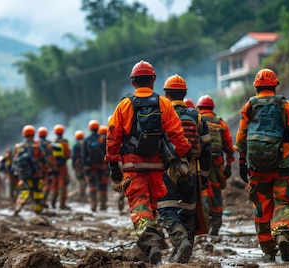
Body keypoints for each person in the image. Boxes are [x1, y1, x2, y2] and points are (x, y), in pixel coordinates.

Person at [105, 60, 191, 265]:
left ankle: (151, 244)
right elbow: (177, 134)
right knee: (154, 205)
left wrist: (112, 164)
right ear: (153, 80)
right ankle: (169, 242)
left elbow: (113, 137)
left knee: (139, 206)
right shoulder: (163, 103)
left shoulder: (125, 104)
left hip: (132, 166)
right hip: (157, 166)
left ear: (133, 82)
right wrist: (183, 153)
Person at [234, 68, 289, 262]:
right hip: (282, 161)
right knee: (282, 201)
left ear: (256, 87)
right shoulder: (285, 105)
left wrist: (242, 162)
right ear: (275, 86)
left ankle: (268, 249)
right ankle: (282, 233)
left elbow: (242, 136)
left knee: (261, 205)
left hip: (256, 165)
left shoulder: (249, 106)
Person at [157, 74, 212, 263]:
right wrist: (203, 177)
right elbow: (206, 149)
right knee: (188, 211)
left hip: (167, 169)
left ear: (166, 93)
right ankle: (184, 252)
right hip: (191, 169)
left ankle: (180, 243)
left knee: (166, 209)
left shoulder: (162, 114)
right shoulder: (197, 116)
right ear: (185, 93)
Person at [197, 94, 235, 236]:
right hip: (217, 165)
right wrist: (229, 166)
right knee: (216, 194)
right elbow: (229, 147)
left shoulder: (197, 119)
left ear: (199, 107)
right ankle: (216, 225)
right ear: (212, 107)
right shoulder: (221, 123)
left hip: (200, 163)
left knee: (202, 192)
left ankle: (202, 224)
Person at [12, 125, 49, 215]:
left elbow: (14, 160)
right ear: (34, 134)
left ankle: (18, 207)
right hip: (36, 174)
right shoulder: (37, 146)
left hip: (24, 174)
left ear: (24, 135)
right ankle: (37, 210)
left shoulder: (19, 147)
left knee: (24, 190)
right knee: (37, 191)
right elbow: (43, 159)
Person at [82, 119, 108, 212]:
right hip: (102, 166)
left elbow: (84, 155)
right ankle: (103, 205)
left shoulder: (86, 140)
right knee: (103, 185)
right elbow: (106, 153)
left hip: (91, 166)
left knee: (92, 185)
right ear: (98, 128)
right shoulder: (102, 139)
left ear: (89, 128)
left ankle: (93, 205)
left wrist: (85, 168)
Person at [50, 124, 72, 210]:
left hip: (54, 166)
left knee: (55, 184)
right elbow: (68, 155)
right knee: (63, 184)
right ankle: (62, 204)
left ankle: (53, 203)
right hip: (62, 166)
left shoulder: (53, 143)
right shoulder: (64, 143)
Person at [36, 126, 58, 208]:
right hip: (45, 167)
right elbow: (50, 157)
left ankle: (37, 202)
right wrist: (53, 167)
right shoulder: (49, 144)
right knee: (47, 184)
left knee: (38, 184)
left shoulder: (36, 143)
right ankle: (43, 201)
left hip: (36, 167)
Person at [71, 130, 87, 202]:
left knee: (80, 179)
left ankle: (82, 194)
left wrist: (73, 166)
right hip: (85, 164)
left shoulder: (75, 146)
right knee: (84, 179)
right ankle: (83, 192)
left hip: (78, 165)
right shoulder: (85, 144)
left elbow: (73, 157)